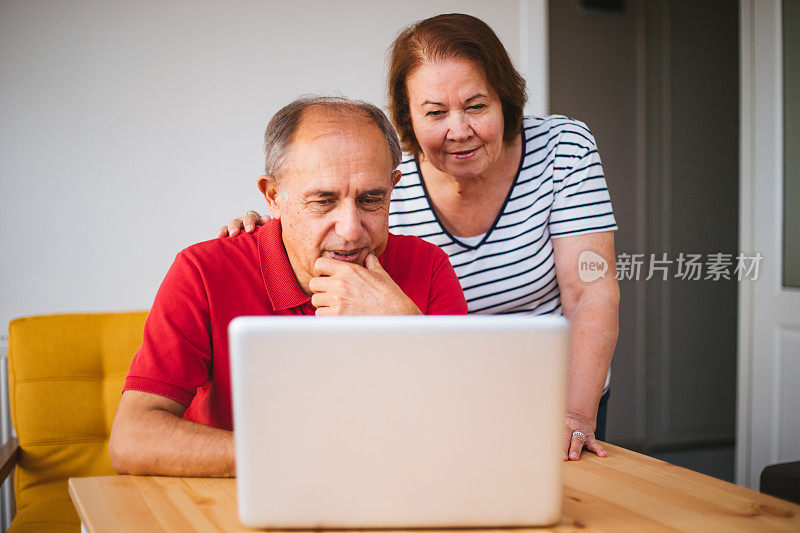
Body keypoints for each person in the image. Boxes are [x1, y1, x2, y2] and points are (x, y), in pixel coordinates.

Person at [221, 14, 620, 462]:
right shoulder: (384, 185)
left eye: (476, 106)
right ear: (407, 116)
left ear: (505, 100)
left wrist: (575, 415)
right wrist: (265, 232)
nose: (458, 130)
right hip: (444, 397)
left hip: (557, 394)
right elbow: (319, 221)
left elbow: (590, 290)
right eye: (435, 112)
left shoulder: (563, 149)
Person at [110, 96, 468, 477]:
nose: (350, 229)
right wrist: (292, 456)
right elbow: (133, 438)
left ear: (392, 188)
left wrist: (406, 329)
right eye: (323, 201)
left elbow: (473, 429)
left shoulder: (428, 266)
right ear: (273, 197)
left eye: (371, 199)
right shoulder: (202, 271)